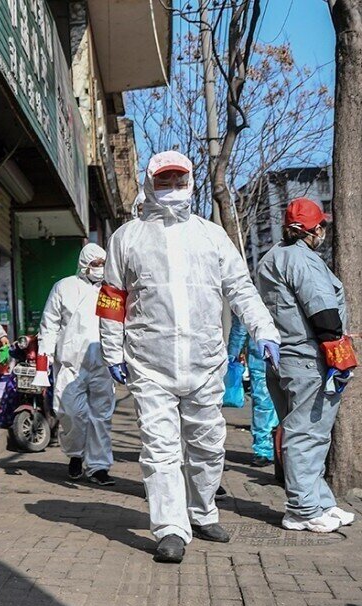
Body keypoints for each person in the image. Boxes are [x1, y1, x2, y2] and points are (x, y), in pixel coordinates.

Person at [99, 150, 280, 563]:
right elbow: (112, 299)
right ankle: (170, 528)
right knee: (159, 449)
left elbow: (240, 288)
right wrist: (112, 349)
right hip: (149, 363)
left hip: (205, 363)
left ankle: (202, 511)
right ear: (149, 184)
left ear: (191, 183)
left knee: (208, 446)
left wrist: (264, 329)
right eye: (164, 181)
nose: (172, 188)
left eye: (179, 181)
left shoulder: (211, 235)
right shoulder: (127, 238)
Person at [255, 198, 356, 533]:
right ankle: (302, 509)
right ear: (314, 229)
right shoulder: (303, 260)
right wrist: (337, 352)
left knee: (305, 433)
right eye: (321, 226)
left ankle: (320, 501)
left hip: (282, 359)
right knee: (308, 435)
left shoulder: (271, 258)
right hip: (308, 359)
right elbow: (322, 310)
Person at [38, 244, 116, 485]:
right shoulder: (64, 287)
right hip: (70, 364)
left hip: (103, 363)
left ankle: (99, 467)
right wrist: (43, 361)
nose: (100, 268)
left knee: (101, 417)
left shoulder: (111, 290)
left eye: (103, 263)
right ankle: (75, 454)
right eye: (96, 264)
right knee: (71, 413)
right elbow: (49, 325)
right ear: (84, 264)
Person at [227, 315, 279, 467]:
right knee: (271, 403)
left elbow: (240, 325)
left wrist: (232, 354)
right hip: (280, 353)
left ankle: (265, 449)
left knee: (263, 403)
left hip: (261, 354)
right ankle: (271, 449)